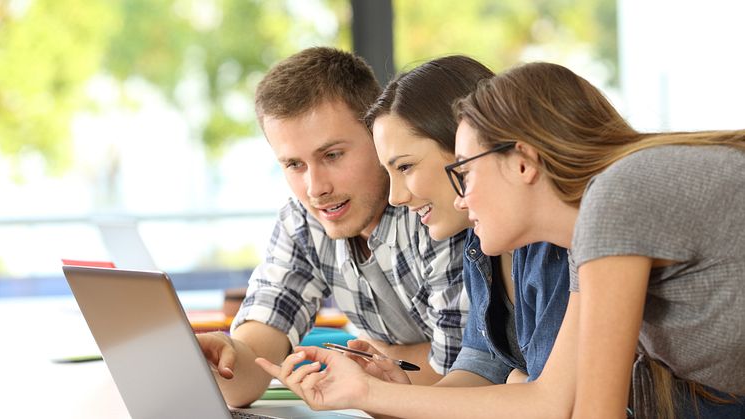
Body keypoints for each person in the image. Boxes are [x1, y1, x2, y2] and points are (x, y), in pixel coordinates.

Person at [253, 61, 745, 419]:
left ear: (524, 161)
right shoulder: (583, 234)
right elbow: (548, 396)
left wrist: (370, 395)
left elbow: (568, 406)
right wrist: (386, 395)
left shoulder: (614, 201)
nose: (462, 199)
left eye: (463, 172)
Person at [256, 55, 569, 405]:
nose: (396, 196)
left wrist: (381, 394)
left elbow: (553, 402)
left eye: (405, 166)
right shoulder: (479, 245)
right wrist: (386, 394)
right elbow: (481, 369)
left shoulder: (560, 247)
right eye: (294, 164)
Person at [196, 47, 470, 408]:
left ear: (378, 135)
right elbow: (251, 368)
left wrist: (375, 362)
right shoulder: (303, 220)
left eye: (332, 155)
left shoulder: (431, 207)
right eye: (294, 164)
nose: (316, 188)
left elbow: (461, 369)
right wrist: (225, 356)